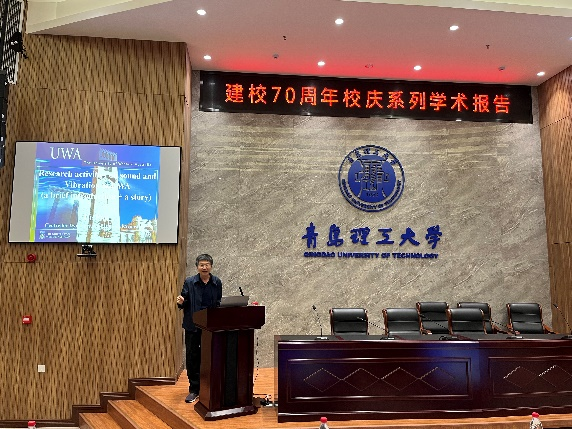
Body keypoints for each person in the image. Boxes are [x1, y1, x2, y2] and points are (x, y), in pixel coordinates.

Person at [176, 253, 222, 403]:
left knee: (210, 356)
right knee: (192, 357)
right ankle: (194, 389)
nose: (204, 267)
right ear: (197, 267)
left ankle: (209, 387)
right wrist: (181, 302)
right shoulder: (189, 282)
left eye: (207, 264)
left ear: (211, 266)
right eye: (201, 265)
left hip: (210, 326)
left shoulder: (217, 282)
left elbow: (218, 303)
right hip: (193, 325)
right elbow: (184, 301)